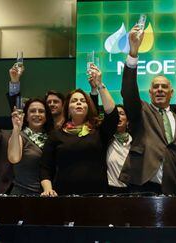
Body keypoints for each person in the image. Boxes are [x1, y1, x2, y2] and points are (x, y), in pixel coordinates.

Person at [118, 25, 176, 196]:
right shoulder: (141, 111)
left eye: (164, 87)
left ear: (171, 93)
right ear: (150, 93)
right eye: (155, 87)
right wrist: (133, 53)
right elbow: (128, 91)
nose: (160, 90)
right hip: (142, 185)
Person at [40, 64, 119, 196]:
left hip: (96, 197)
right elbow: (45, 167)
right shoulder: (56, 135)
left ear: (88, 107)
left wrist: (100, 85)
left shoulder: (99, 131)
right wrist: (47, 188)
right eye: (74, 101)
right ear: (68, 109)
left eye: (83, 101)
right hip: (64, 197)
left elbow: (112, 115)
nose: (78, 103)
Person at [7, 98, 53, 195]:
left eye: (41, 111)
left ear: (46, 116)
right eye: (32, 111)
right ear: (26, 117)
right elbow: (13, 158)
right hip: (22, 194)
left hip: (47, 195)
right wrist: (16, 128)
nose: (37, 114)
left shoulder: (52, 138)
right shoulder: (20, 136)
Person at [106, 105, 130, 194]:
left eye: (121, 114)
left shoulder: (135, 142)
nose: (118, 117)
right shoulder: (106, 141)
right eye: (115, 114)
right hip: (110, 191)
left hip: (132, 192)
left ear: (128, 121)